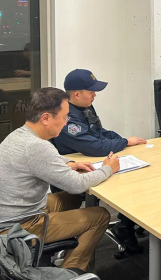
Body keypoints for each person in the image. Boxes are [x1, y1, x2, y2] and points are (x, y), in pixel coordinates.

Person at [0, 87, 120, 272]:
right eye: (64, 117)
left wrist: (68, 162)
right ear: (46, 118)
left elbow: (38, 160)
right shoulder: (38, 147)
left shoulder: (18, 135)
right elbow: (76, 184)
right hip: (18, 226)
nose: (66, 123)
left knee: (70, 199)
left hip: (12, 212)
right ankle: (71, 272)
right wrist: (107, 169)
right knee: (100, 215)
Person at [51, 68, 147, 254]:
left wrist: (122, 140)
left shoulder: (85, 107)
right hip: (78, 172)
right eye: (91, 91)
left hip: (96, 161)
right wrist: (125, 142)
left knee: (139, 177)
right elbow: (93, 146)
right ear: (77, 94)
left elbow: (99, 132)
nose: (95, 95)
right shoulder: (67, 117)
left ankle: (125, 227)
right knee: (130, 181)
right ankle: (114, 229)